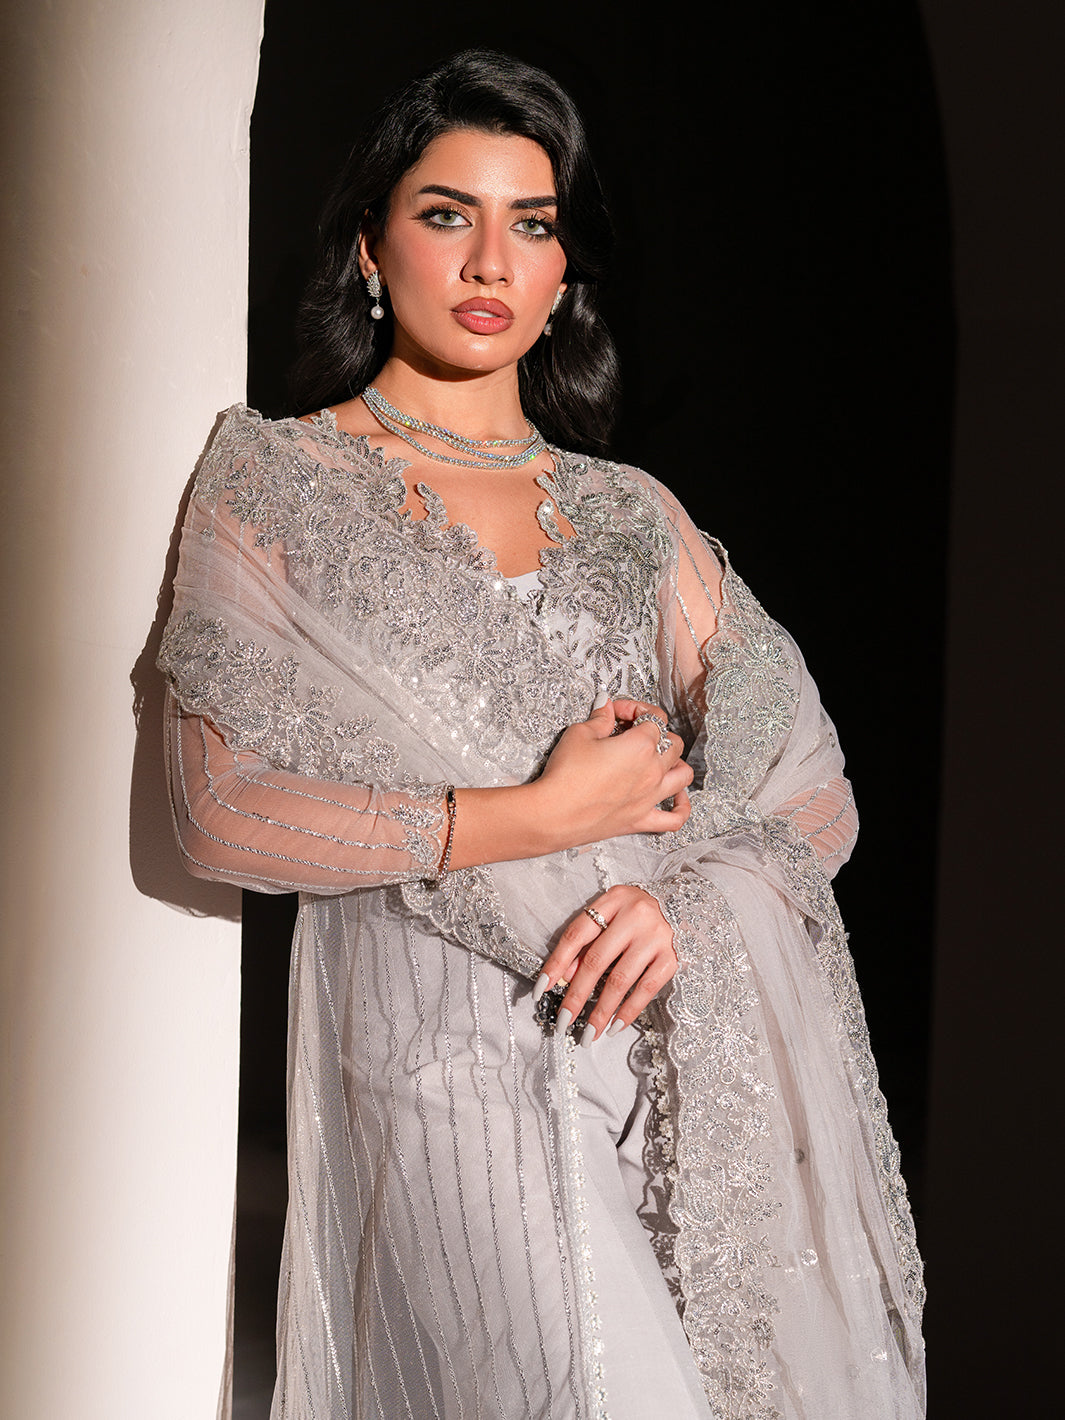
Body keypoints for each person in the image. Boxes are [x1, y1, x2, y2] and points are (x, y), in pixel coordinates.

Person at [158, 48, 925, 1420]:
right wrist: (541, 816)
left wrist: (687, 903)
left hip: (665, 1065)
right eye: (446, 214)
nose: (489, 261)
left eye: (533, 223)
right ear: (370, 246)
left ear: (566, 272)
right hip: (439, 1062)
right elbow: (219, 810)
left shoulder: (631, 515)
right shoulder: (275, 481)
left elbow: (812, 788)